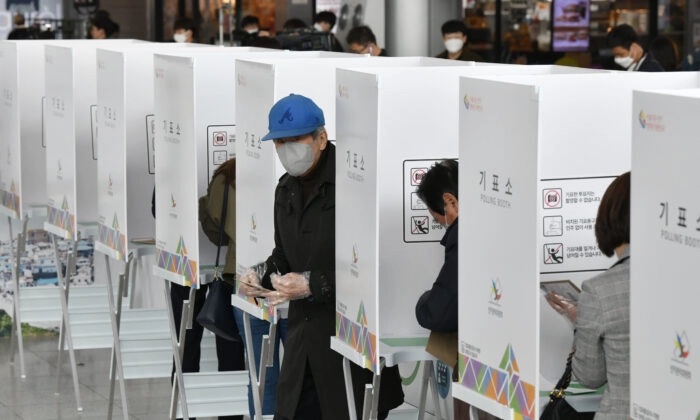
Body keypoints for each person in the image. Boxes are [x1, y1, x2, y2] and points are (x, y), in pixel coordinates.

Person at [239, 94, 403, 419]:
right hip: (303, 345)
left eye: (295, 140)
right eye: (280, 142)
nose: (287, 150)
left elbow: (375, 264)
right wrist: (259, 275)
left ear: (322, 138)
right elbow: (283, 256)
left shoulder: (356, 185)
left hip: (350, 344)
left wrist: (315, 284)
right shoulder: (285, 189)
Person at [162, 158, 246, 420]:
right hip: (243, 273)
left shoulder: (225, 174)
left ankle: (185, 411)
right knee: (233, 348)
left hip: (190, 261)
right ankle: (230, 414)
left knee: (186, 344)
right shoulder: (253, 173)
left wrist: (201, 207)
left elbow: (216, 233)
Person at [546, 171, 631, 419]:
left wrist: (580, 321)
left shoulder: (599, 290)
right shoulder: (686, 281)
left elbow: (591, 376)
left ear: (610, 216)